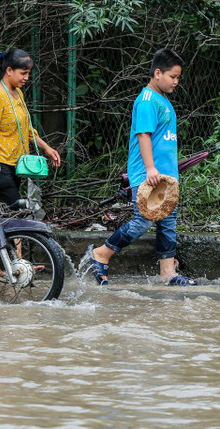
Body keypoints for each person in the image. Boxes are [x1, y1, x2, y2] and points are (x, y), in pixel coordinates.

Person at [80, 48, 196, 287]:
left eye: (178, 77)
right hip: (148, 175)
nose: (176, 82)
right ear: (157, 73)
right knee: (143, 220)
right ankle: (101, 253)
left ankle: (167, 272)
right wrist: (151, 169)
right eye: (173, 76)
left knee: (168, 221)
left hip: (166, 177)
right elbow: (143, 135)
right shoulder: (146, 101)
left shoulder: (162, 100)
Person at [0, 49, 61, 208]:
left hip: (15, 165)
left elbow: (27, 129)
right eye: (23, 73)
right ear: (9, 70)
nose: (26, 78)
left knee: (8, 211)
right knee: (14, 209)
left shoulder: (17, 93)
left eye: (28, 73)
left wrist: (47, 148)